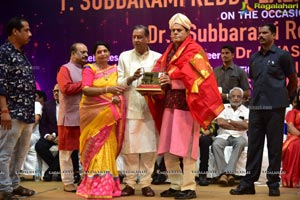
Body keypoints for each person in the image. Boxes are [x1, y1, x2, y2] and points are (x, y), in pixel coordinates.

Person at [152, 13, 223, 199]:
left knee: (187, 149)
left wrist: (173, 79)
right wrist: (154, 81)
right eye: (172, 30)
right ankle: (175, 184)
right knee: (168, 147)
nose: (175, 33)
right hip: (169, 104)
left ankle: (189, 187)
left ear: (187, 31)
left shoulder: (195, 50)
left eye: (178, 30)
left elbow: (200, 77)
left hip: (188, 106)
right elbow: (158, 70)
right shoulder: (169, 52)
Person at [230, 23, 298, 197]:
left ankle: (273, 184)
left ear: (273, 35)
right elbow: (255, 81)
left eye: (264, 33)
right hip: (257, 107)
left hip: (275, 108)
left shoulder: (283, 56)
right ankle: (248, 184)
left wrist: (286, 100)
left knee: (274, 147)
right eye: (259, 33)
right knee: (254, 147)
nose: (260, 36)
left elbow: (293, 81)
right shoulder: (254, 58)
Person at [76, 41, 127, 199]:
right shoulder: (89, 69)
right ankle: (94, 186)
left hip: (108, 116)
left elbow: (119, 90)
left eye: (105, 51)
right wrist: (107, 90)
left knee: (107, 148)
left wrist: (117, 98)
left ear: (109, 53)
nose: (103, 54)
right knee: (95, 150)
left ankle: (107, 186)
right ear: (94, 55)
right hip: (92, 116)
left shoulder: (115, 70)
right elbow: (85, 89)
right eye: (99, 52)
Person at [117, 25, 161, 197]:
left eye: (140, 37)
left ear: (148, 38)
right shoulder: (124, 57)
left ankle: (145, 184)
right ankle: (128, 183)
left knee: (149, 150)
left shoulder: (157, 57)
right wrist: (131, 78)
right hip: (130, 109)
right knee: (130, 150)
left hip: (151, 111)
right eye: (134, 37)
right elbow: (118, 82)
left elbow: (161, 81)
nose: (136, 40)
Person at [0, 17, 36, 200]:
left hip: (27, 112)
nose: (30, 34)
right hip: (12, 112)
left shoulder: (20, 53)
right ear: (15, 31)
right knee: (5, 153)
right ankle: (4, 189)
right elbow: (0, 83)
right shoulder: (4, 52)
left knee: (20, 154)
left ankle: (14, 184)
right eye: (26, 30)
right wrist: (4, 110)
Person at [56, 43, 88, 192]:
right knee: (66, 152)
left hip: (85, 117)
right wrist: (85, 84)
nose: (86, 55)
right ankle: (68, 181)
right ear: (73, 53)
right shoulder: (65, 69)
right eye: (82, 52)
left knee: (85, 151)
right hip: (68, 117)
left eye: (87, 52)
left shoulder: (87, 70)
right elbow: (66, 89)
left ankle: (85, 179)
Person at [212, 87, 249, 186]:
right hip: (223, 135)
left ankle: (225, 174)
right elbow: (220, 122)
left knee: (240, 142)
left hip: (240, 137)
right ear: (229, 98)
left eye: (238, 96)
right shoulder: (222, 108)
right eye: (233, 96)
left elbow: (246, 125)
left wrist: (229, 121)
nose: (236, 98)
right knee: (215, 144)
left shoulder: (246, 110)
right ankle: (228, 174)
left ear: (242, 99)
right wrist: (237, 125)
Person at [35, 84, 60, 181]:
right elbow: (43, 124)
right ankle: (57, 170)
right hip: (51, 135)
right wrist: (47, 136)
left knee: (68, 149)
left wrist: (61, 137)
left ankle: (50, 172)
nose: (56, 93)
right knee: (39, 146)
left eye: (58, 91)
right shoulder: (47, 105)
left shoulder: (69, 105)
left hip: (65, 135)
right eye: (54, 91)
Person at [281, 88, 300, 188]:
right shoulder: (293, 112)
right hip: (296, 136)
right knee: (295, 146)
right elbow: (291, 127)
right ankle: (294, 180)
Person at [197, 121, 217, 186]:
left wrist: (202, 134)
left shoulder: (207, 112)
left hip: (205, 135)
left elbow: (212, 128)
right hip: (189, 133)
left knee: (204, 141)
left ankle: (203, 174)